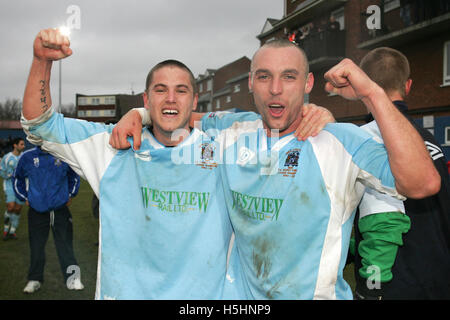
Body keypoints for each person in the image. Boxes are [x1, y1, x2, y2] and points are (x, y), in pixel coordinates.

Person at [111, 39, 440, 299]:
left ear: (308, 83)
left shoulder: (341, 141)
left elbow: (423, 183)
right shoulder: (231, 130)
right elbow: (174, 115)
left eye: (289, 77)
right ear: (252, 82)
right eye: (264, 76)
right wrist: (140, 114)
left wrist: (372, 93)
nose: (276, 89)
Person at [20, 28, 254, 300]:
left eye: (181, 91)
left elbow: (277, 124)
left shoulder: (226, 152)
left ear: (194, 101)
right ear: (146, 99)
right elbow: (40, 124)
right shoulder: (113, 146)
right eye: (160, 90)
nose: (170, 98)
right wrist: (41, 61)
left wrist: (314, 114)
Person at [351, 47, 450, 300]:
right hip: (439, 277)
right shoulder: (428, 140)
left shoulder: (367, 140)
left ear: (363, 84)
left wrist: (370, 290)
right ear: (408, 85)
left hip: (398, 285)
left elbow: (382, 223)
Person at [13, 146, 83, 293]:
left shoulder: (62, 153)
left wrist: (70, 194)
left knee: (65, 245)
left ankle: (73, 279)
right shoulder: (27, 157)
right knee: (36, 247)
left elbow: (74, 175)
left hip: (60, 210)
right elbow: (17, 178)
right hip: (37, 211)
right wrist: (25, 197)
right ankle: (35, 279)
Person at [0, 137, 25, 240]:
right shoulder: (7, 157)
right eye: (21, 144)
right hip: (9, 185)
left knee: (18, 209)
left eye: (24, 144)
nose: (23, 146)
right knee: (10, 207)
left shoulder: (24, 157)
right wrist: (9, 175)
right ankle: (6, 230)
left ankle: (12, 231)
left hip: (21, 186)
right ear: (15, 145)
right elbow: (1, 171)